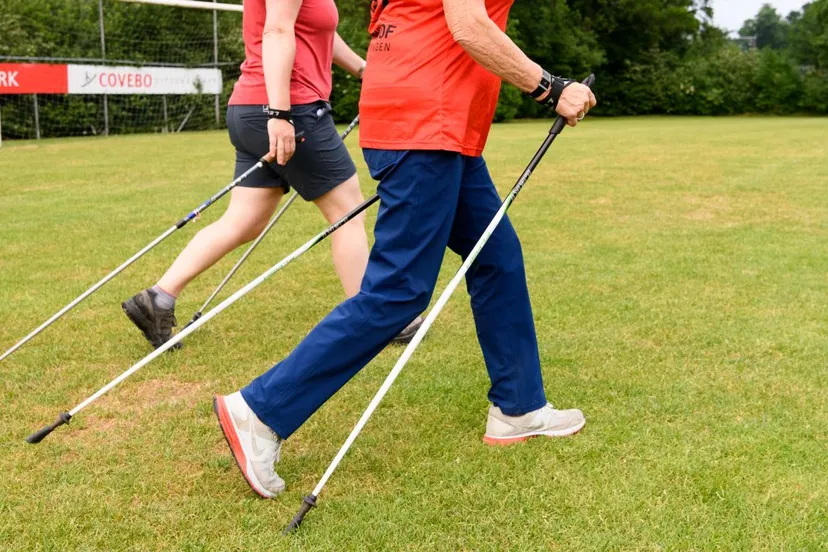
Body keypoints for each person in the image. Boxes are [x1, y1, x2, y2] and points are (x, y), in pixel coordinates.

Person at [213, 0, 597, 498]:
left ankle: (518, 407)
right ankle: (259, 411)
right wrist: (550, 88)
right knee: (398, 292)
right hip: (426, 125)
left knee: (497, 258)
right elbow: (468, 25)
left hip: (442, 127)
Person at [121, 0, 423, 351]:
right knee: (348, 212)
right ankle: (373, 319)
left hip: (252, 108)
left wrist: (362, 69)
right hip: (288, 108)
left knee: (243, 221)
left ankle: (157, 299)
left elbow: (318, 31)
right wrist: (279, 113)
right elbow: (277, 30)